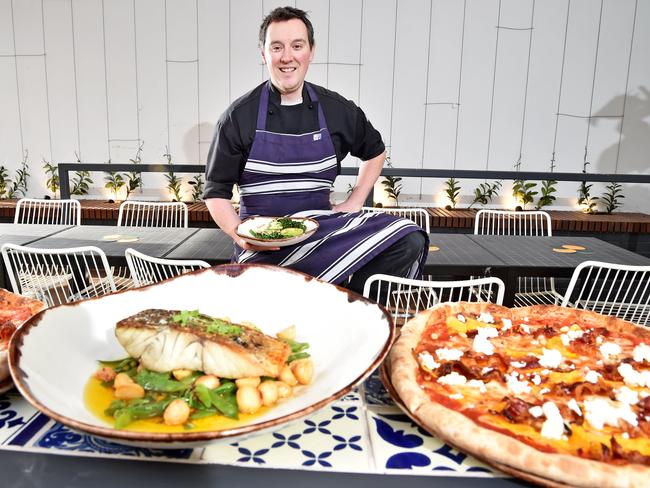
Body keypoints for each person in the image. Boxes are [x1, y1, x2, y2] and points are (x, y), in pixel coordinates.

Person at [204, 6, 428, 296]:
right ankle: (327, 294)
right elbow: (216, 192)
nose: (287, 56)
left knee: (409, 238)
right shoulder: (238, 117)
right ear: (264, 54)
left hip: (322, 232)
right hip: (264, 244)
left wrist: (356, 199)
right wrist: (241, 236)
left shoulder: (336, 109)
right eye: (277, 47)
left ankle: (352, 306)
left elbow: (375, 150)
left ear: (310, 51)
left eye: (297, 46)